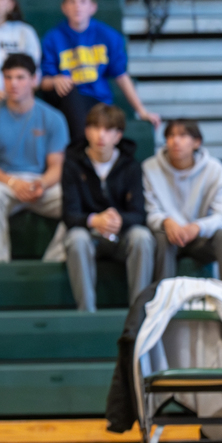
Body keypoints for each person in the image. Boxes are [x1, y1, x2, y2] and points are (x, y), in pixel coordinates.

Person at [0, 54, 69, 262]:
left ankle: (51, 263)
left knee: (75, 201)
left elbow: (56, 166)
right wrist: (12, 182)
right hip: (4, 182)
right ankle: (0, 266)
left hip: (40, 183)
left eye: (20, 77)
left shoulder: (53, 118)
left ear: (34, 80)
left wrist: (40, 183)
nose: (13, 83)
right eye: (8, 77)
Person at [40, 0, 160, 142]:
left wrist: (141, 111)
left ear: (93, 7)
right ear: (64, 7)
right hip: (67, 102)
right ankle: (82, 148)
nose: (77, 6)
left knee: (104, 121)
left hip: (99, 100)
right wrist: (56, 80)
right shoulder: (52, 38)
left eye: (83, 1)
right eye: (71, 1)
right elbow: (42, 82)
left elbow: (121, 75)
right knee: (70, 92)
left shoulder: (108, 36)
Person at [60, 103, 152, 312]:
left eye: (108, 129)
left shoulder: (131, 166)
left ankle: (138, 313)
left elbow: (139, 214)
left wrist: (120, 220)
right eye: (95, 128)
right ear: (87, 131)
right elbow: (69, 214)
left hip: (122, 236)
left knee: (142, 236)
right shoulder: (73, 164)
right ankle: (87, 312)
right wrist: (95, 220)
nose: (101, 135)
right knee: (76, 238)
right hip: (89, 234)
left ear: (118, 136)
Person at [143, 119, 222, 293]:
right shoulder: (150, 168)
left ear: (197, 142)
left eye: (182, 135)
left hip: (201, 239)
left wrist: (198, 227)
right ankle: (162, 304)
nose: (176, 141)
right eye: (171, 135)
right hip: (168, 237)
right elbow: (150, 212)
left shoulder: (214, 170)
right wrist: (167, 222)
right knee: (160, 237)